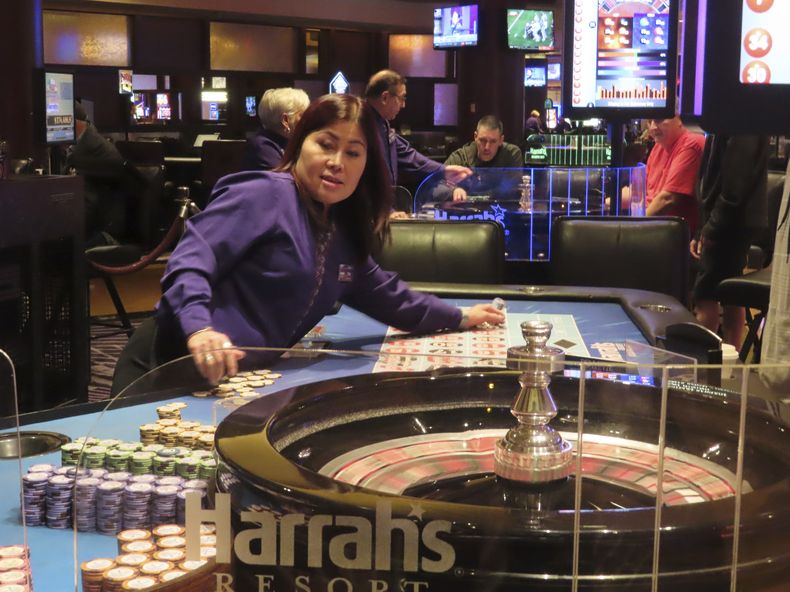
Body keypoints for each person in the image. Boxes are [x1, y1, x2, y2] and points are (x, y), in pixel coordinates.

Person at [111, 94, 504, 394]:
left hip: (233, 383)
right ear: (300, 144)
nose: (338, 162)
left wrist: (460, 316)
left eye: (353, 152)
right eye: (325, 145)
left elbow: (390, 297)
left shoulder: (344, 228)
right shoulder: (263, 193)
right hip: (168, 364)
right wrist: (200, 328)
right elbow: (191, 261)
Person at [690, 134, 769, 348]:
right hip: (727, 217)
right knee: (731, 295)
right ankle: (727, 364)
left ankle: (706, 364)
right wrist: (702, 228)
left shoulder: (743, 119)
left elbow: (735, 186)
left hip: (733, 220)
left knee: (705, 294)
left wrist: (712, 226)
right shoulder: (728, 114)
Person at [364, 69, 471, 189]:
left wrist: (443, 170)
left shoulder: (383, 126)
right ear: (385, 98)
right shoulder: (359, 126)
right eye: (402, 98)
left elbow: (409, 156)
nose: (403, 105)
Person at [67, 100, 127, 245]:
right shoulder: (83, 142)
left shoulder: (91, 146)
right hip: (96, 219)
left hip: (104, 230)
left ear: (75, 123)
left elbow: (89, 199)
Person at [643, 116, 706, 235]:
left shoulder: (692, 143)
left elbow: (667, 200)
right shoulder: (658, 147)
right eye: (650, 121)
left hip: (674, 235)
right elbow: (640, 191)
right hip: (654, 227)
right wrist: (604, 201)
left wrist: (633, 226)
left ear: (680, 119)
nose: (653, 127)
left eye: (659, 120)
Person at [441, 115, 523, 202]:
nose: (487, 147)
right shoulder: (460, 157)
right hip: (466, 212)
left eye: (493, 141)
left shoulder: (511, 154)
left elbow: (512, 189)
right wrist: (453, 191)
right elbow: (436, 183)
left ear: (501, 140)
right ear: (475, 137)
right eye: (483, 140)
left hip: (500, 211)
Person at [245, 87, 309, 170]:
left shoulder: (289, 142)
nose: (308, 119)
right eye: (304, 114)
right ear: (285, 120)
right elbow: (284, 180)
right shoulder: (263, 147)